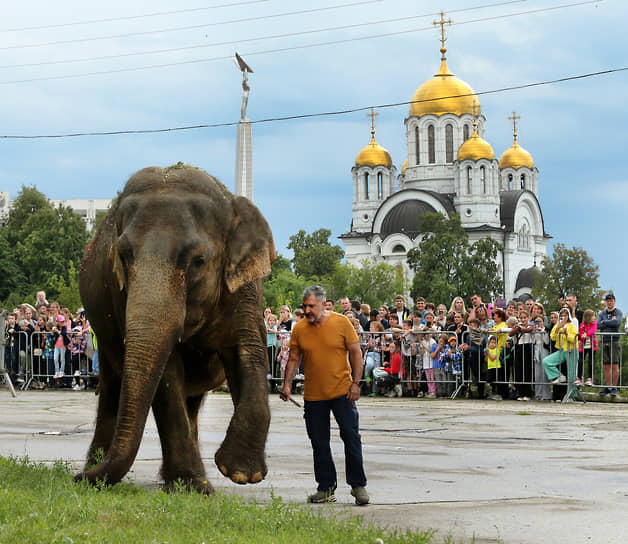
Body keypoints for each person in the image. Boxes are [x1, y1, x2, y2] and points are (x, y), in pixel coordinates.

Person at [281, 286, 369, 506]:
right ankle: (326, 488)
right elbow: (293, 358)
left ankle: (358, 486)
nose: (307, 310)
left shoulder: (341, 322)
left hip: (343, 392)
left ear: (322, 304)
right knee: (319, 442)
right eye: (305, 306)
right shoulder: (300, 329)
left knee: (351, 436)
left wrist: (356, 383)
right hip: (313, 396)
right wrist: (287, 384)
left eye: (311, 306)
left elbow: (356, 352)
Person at [542, 308, 579, 388]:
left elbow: (574, 339)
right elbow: (553, 338)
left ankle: (572, 394)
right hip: (562, 351)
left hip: (572, 350)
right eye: (561, 316)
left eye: (565, 316)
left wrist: (566, 335)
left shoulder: (572, 326)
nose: (563, 318)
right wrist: (558, 328)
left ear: (568, 316)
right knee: (546, 361)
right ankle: (559, 376)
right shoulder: (557, 326)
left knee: (571, 374)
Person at [597, 293, 623, 396]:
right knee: (606, 365)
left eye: (611, 300)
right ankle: (608, 387)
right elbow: (598, 325)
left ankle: (614, 387)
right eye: (607, 300)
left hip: (614, 340)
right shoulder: (602, 313)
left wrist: (604, 322)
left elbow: (617, 323)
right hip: (604, 340)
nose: (609, 302)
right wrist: (608, 322)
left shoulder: (618, 312)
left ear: (614, 301)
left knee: (615, 365)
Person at [578, 310, 598, 387]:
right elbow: (581, 333)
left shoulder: (594, 323)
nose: (594, 318)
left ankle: (590, 378)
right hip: (583, 346)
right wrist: (583, 336)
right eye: (593, 316)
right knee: (580, 361)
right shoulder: (582, 325)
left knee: (590, 361)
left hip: (592, 346)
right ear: (588, 317)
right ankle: (579, 377)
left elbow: (593, 330)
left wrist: (586, 334)